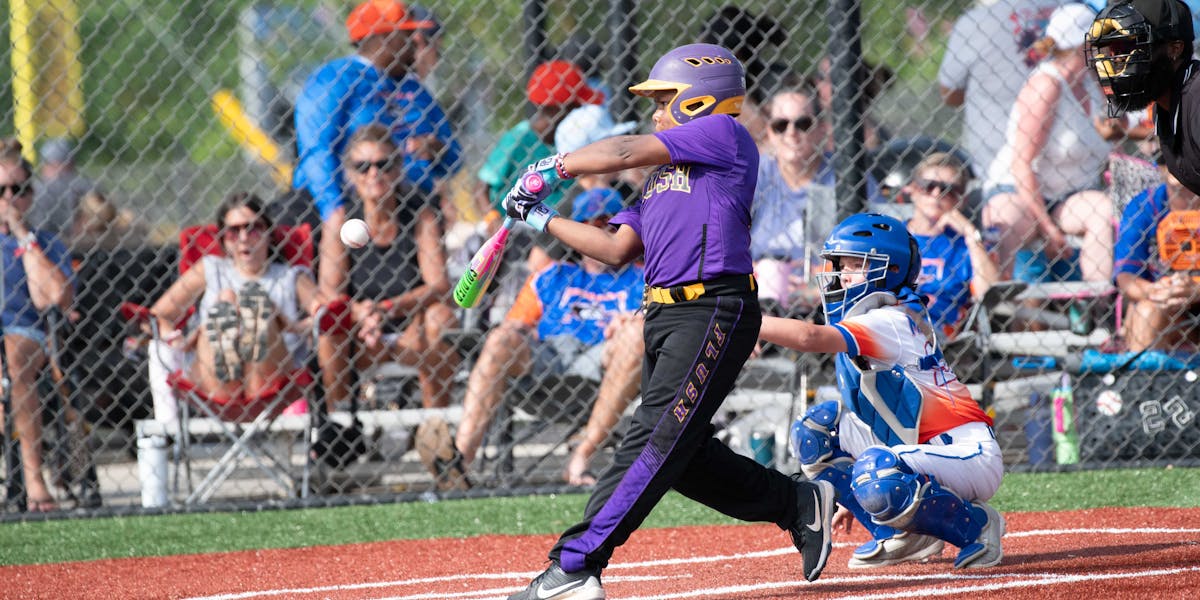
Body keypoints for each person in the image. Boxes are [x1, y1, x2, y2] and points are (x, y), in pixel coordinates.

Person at [500, 43, 835, 599]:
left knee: (652, 438)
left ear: (701, 99)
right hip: (663, 313)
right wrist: (542, 217)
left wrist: (551, 167)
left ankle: (575, 566)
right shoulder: (662, 175)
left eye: (664, 100)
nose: (657, 113)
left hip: (712, 308)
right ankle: (796, 501)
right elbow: (613, 248)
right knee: (685, 455)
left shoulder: (724, 134)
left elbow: (626, 148)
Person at [760, 212, 1006, 571]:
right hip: (917, 446)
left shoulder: (887, 320)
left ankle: (978, 527)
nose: (841, 275)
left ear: (888, 271)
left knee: (877, 474)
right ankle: (899, 533)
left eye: (855, 265)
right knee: (817, 429)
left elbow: (809, 338)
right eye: (840, 265)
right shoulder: (866, 319)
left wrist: (744, 319)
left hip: (966, 453)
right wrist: (857, 497)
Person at [417, 190, 644, 490]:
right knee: (500, 339)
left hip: (603, 363)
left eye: (607, 222)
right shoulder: (551, 275)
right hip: (546, 360)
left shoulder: (644, 279)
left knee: (637, 334)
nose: (598, 231)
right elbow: (514, 327)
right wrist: (518, 335)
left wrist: (633, 322)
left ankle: (582, 456)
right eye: (587, 224)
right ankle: (460, 461)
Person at [318, 124, 457, 413]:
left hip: (412, 327)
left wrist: (389, 307)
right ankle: (338, 424)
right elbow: (330, 292)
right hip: (363, 331)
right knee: (330, 325)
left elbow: (438, 285)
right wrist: (362, 313)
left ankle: (435, 427)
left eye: (384, 164)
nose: (374, 174)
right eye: (363, 166)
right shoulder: (340, 219)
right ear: (350, 174)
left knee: (441, 317)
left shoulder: (420, 216)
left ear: (398, 169)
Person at [149, 193, 323, 421]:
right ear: (222, 238)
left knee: (257, 305)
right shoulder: (210, 268)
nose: (243, 238)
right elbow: (158, 315)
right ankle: (231, 341)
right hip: (212, 378)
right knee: (227, 300)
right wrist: (178, 340)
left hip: (273, 380)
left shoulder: (290, 277)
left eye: (253, 228)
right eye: (233, 231)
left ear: (269, 233)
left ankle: (255, 324)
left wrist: (293, 326)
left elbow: (324, 312)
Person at [293, 0, 460, 224]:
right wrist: (333, 209)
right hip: (347, 204)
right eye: (408, 36)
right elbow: (317, 149)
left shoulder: (415, 90)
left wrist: (436, 149)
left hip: (411, 207)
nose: (415, 44)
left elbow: (455, 160)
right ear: (386, 39)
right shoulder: (336, 78)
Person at [984, 3, 1116, 284]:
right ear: (1083, 44)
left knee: (1104, 211)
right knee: (1005, 220)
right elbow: (1021, 164)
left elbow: (1111, 139)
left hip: (1069, 194)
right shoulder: (1046, 84)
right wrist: (1047, 228)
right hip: (1020, 191)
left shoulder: (1092, 84)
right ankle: (995, 316)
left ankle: (1097, 305)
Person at [0, 138, 75, 512]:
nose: (11, 197)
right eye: (2, 190)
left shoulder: (45, 243)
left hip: (26, 332)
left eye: (19, 189)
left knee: (13, 358)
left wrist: (21, 237)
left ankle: (32, 476)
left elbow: (53, 298)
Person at [1087, 0, 1200, 195]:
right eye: (1112, 49)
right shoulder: (1165, 107)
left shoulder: (1196, 98)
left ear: (1175, 48)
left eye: (1128, 47)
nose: (1117, 60)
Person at [939, 0, 1061, 177]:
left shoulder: (976, 22)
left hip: (1000, 161)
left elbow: (949, 94)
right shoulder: (1070, 10)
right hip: (1068, 158)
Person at [474, 60, 603, 221]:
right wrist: (492, 219)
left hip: (559, 222)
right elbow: (481, 188)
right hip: (514, 223)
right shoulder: (519, 137)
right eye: (576, 106)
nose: (581, 111)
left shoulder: (577, 140)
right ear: (557, 108)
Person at [906, 153, 1001, 340]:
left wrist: (970, 233)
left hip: (935, 336)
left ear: (960, 200)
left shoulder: (966, 246)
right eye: (928, 186)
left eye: (948, 190)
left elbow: (989, 295)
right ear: (913, 189)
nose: (936, 194)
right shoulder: (891, 236)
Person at [1114, 165, 1200, 351]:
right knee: (1145, 313)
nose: (1177, 161)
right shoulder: (1145, 205)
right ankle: (1144, 379)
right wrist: (1157, 291)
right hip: (1168, 307)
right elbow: (1126, 276)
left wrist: (1196, 289)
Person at [27, 137, 96, 236]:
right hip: (82, 242)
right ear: (72, 163)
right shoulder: (87, 185)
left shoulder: (34, 188)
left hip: (42, 241)